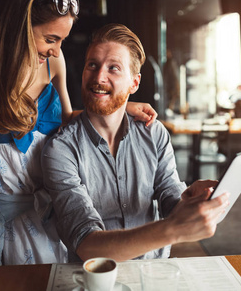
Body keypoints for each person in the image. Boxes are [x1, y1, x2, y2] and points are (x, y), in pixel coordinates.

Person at [0, 0, 156, 290]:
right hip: (3, 221)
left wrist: (121, 107)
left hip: (55, 210)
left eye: (62, 41)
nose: (57, 51)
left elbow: (67, 121)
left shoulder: (52, 65)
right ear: (19, 29)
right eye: (51, 39)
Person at [41, 23, 229, 263]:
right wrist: (173, 229)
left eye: (114, 68)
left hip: (155, 273)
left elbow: (170, 197)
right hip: (96, 280)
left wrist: (191, 200)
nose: (99, 77)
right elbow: (86, 243)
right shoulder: (61, 149)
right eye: (92, 65)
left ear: (134, 83)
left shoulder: (154, 133)